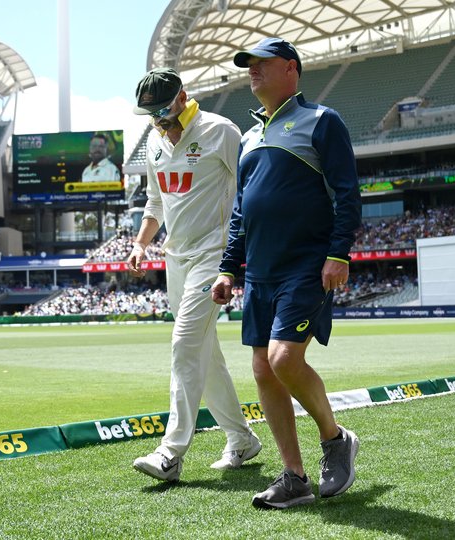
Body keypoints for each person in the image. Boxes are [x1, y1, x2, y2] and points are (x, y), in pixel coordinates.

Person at [211, 37, 362, 509]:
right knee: (262, 370)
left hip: (306, 266)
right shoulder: (249, 137)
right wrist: (228, 268)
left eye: (262, 63)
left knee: (281, 359)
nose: (252, 71)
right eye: (248, 65)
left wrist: (339, 253)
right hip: (260, 273)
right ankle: (294, 477)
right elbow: (241, 211)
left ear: (291, 70)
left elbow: (348, 192)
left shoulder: (322, 120)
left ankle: (336, 439)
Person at [128, 67, 261, 482]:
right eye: (150, 113)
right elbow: (155, 202)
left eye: (163, 109)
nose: (158, 120)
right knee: (206, 355)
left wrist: (239, 259)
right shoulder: (153, 139)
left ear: (183, 96)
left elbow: (249, 192)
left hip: (214, 256)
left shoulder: (220, 131)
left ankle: (171, 452)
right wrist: (140, 243)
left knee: (185, 344)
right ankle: (241, 439)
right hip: (176, 258)